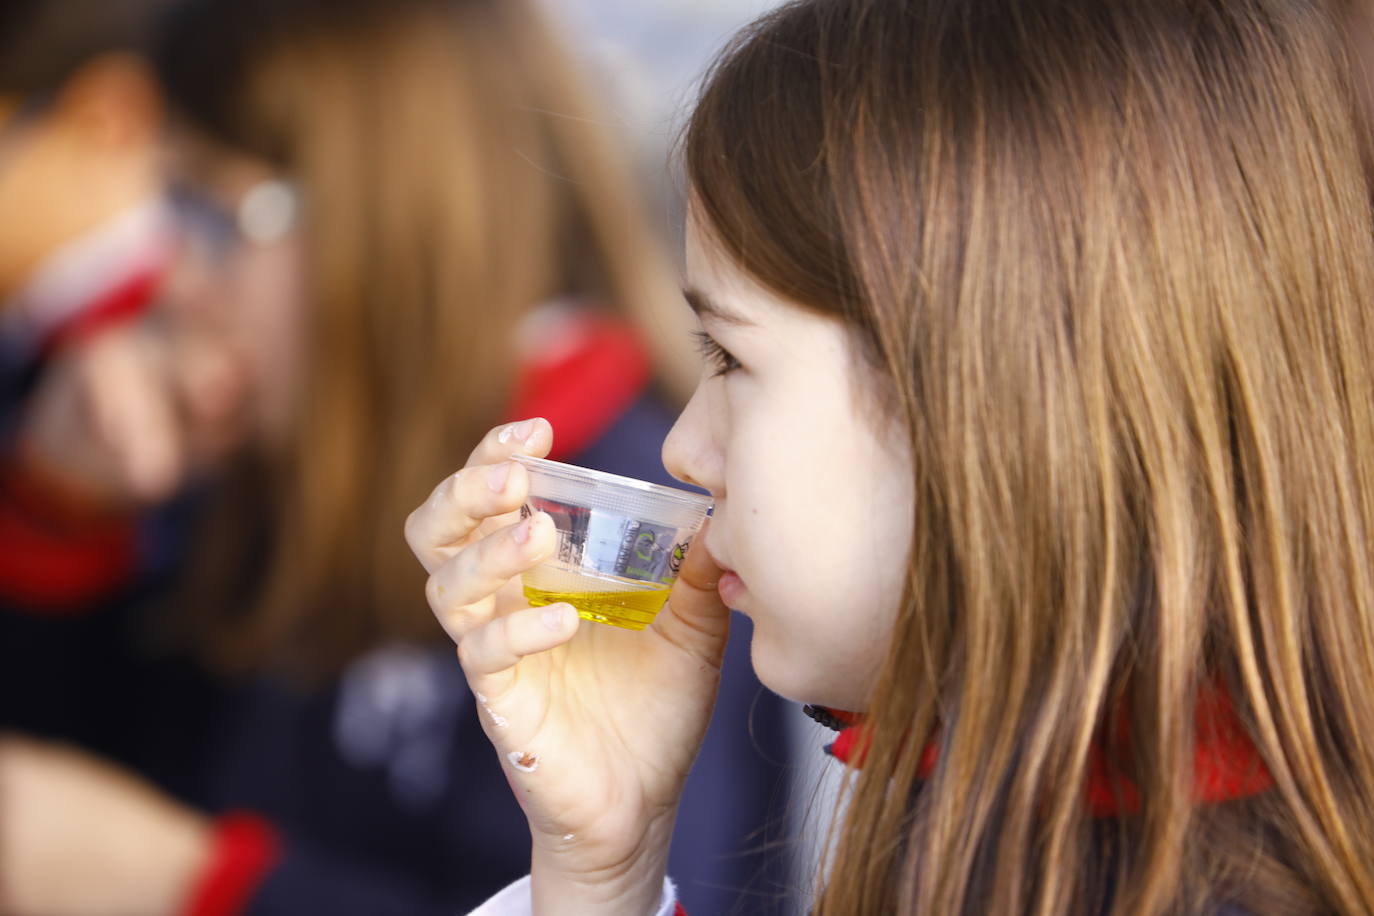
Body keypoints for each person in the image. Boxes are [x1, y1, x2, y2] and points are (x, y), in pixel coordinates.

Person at [406, 0, 1374, 913]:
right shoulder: (1010, 829)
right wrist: (601, 865)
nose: (683, 448)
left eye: (731, 356)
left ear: (991, 397)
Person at [0, 0, 791, 914]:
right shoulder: (267, 469)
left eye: (215, 215)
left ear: (385, 217)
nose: (175, 275)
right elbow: (86, 782)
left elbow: (614, 882)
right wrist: (60, 515)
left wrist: (195, 885)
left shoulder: (608, 509)